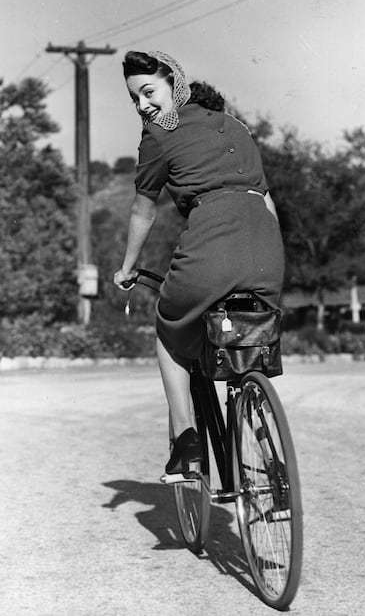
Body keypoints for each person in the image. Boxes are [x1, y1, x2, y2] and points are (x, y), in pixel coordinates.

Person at [114, 50, 284, 476]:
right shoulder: (238, 127)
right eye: (136, 99)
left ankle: (188, 442)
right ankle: (252, 407)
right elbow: (266, 201)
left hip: (212, 243)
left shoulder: (158, 134)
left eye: (149, 91)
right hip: (267, 249)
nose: (144, 105)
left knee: (170, 329)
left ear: (175, 81)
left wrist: (127, 267)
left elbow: (143, 210)